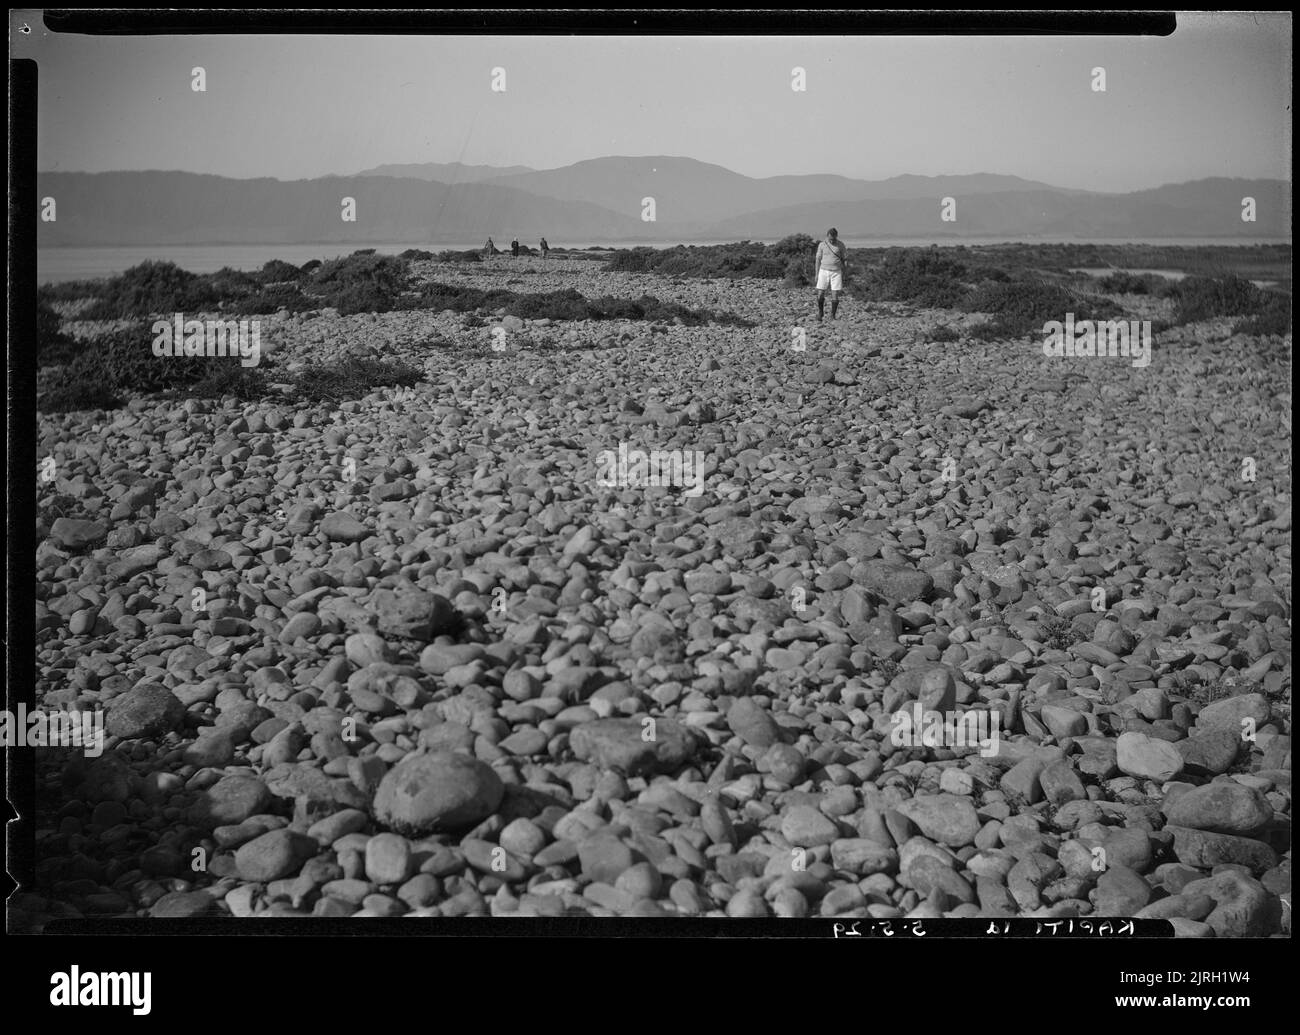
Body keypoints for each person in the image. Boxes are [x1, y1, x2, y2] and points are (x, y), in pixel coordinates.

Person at [814, 227, 848, 321]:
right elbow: (817, 259)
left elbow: (845, 258)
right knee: (820, 293)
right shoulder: (822, 245)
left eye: (833, 239)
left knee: (835, 294)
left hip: (836, 271)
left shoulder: (841, 245)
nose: (832, 241)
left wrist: (845, 270)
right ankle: (820, 313)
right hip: (823, 271)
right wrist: (816, 274)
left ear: (836, 237)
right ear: (827, 237)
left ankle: (833, 315)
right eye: (830, 239)